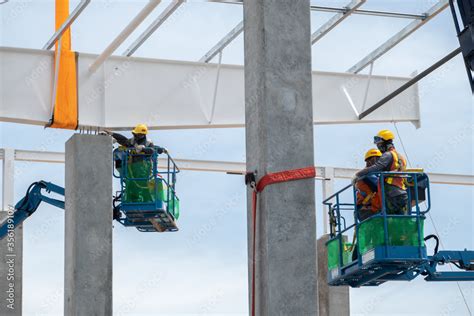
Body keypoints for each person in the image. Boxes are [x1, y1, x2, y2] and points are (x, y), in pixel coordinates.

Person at [103, 124, 167, 203]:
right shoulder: (133, 141)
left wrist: (144, 149)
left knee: (142, 183)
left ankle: (147, 200)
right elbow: (124, 140)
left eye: (137, 134)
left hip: (143, 167)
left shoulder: (148, 143)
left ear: (142, 135)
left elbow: (153, 150)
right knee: (131, 183)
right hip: (133, 166)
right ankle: (134, 199)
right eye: (134, 134)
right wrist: (113, 134)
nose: (135, 136)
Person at [355, 129, 408, 215]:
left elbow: (377, 167)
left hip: (390, 193)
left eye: (379, 144)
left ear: (385, 142)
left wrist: (358, 174)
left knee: (388, 219)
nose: (378, 147)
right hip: (402, 193)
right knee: (400, 220)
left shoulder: (387, 155)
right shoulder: (401, 157)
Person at [355, 149, 382, 221]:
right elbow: (380, 185)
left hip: (367, 209)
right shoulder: (368, 175)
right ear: (370, 160)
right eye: (378, 159)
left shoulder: (372, 175)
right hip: (367, 210)